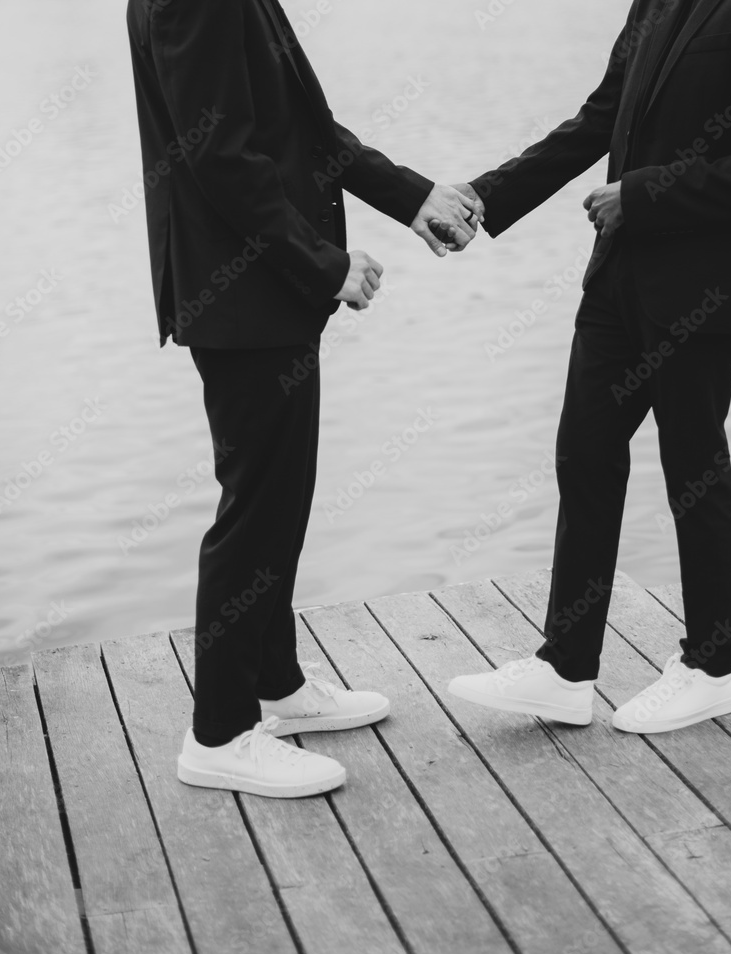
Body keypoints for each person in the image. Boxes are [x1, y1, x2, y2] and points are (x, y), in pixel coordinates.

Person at [126, 0, 480, 798]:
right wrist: (324, 264)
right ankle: (218, 733)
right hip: (242, 292)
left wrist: (412, 196)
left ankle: (275, 683)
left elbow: (305, 131)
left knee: (282, 497)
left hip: (260, 293)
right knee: (255, 507)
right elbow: (221, 156)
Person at [447, 0, 731, 733]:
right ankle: (565, 669)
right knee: (583, 453)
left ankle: (711, 669)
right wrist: (485, 196)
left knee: (693, 469)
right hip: (618, 277)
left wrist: (645, 195)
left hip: (703, 285)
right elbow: (601, 116)